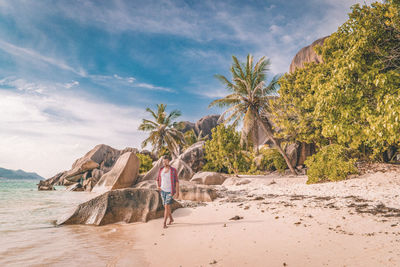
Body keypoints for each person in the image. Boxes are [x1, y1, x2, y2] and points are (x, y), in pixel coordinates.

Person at [156, 156, 179, 229]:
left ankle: (164, 223)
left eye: (165, 161)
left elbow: (177, 182)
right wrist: (158, 186)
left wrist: (177, 192)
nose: (164, 163)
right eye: (163, 162)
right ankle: (171, 219)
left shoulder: (173, 170)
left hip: (170, 191)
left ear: (168, 161)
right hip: (162, 191)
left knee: (166, 206)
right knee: (166, 206)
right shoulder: (161, 170)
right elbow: (157, 180)